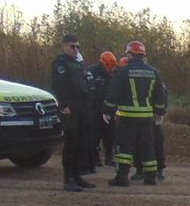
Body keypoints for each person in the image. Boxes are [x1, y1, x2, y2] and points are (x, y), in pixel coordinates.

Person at [103, 40, 168, 187]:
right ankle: (151, 177)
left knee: (125, 147)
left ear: (130, 54)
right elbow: (160, 96)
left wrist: (107, 110)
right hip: (146, 118)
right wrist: (159, 112)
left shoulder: (123, 71)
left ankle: (122, 177)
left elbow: (114, 93)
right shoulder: (153, 72)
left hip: (127, 117)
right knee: (147, 146)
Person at [49, 32, 95, 192]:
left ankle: (77, 177)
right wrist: (63, 105)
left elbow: (84, 83)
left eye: (77, 46)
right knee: (71, 143)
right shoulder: (61, 63)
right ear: (64, 46)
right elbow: (58, 86)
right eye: (72, 46)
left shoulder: (77, 63)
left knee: (81, 143)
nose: (76, 49)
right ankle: (67, 179)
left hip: (82, 106)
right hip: (70, 107)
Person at [86, 51, 119, 165]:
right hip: (95, 108)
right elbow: (89, 90)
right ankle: (95, 158)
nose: (110, 70)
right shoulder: (92, 72)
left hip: (110, 108)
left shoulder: (115, 74)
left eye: (112, 68)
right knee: (95, 134)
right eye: (108, 67)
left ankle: (109, 157)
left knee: (110, 134)